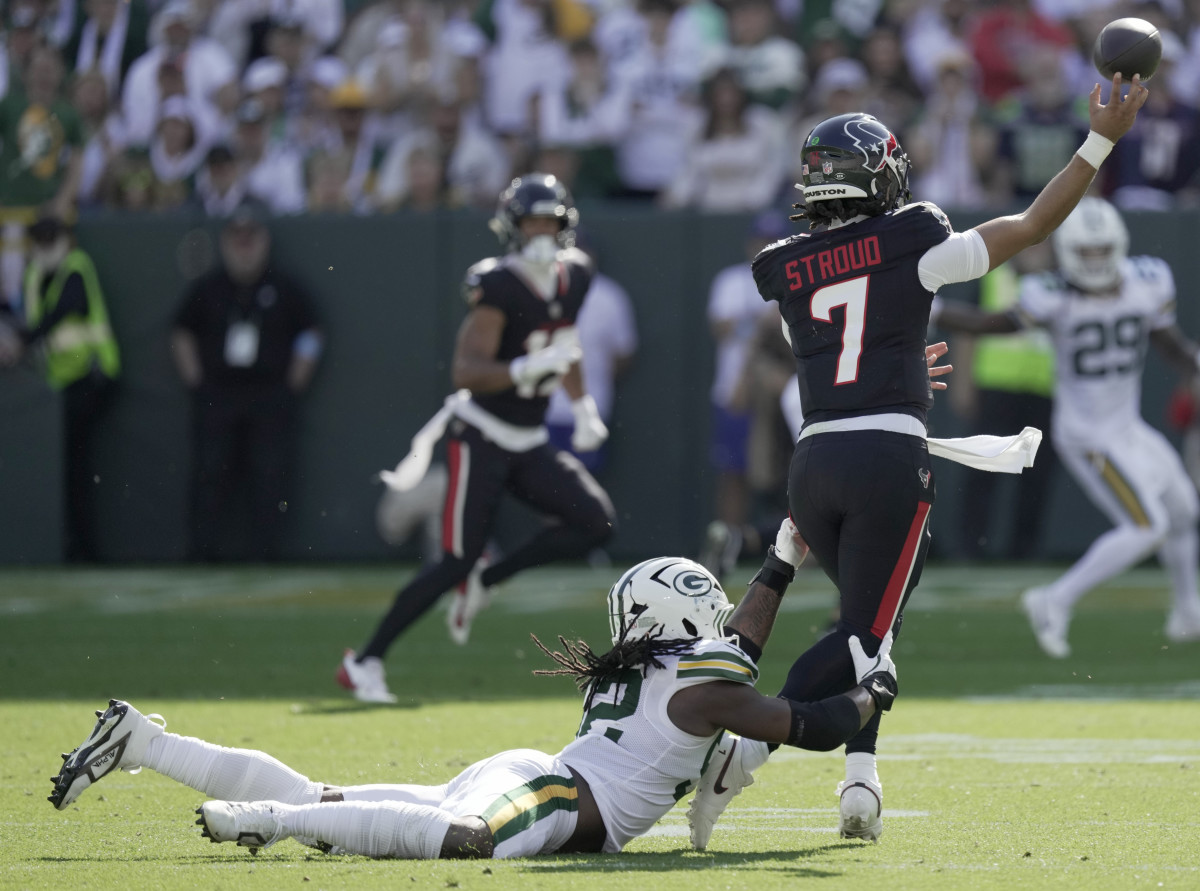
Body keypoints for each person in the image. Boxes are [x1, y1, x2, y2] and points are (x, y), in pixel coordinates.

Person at [722, 73, 1148, 843]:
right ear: (877, 174)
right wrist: (1101, 140)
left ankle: (860, 778)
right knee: (866, 634)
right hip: (886, 455)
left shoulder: (784, 265)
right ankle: (746, 748)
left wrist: (903, 362)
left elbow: (827, 351)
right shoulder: (911, 234)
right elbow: (1031, 225)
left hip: (813, 461)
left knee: (870, 619)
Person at [48, 530, 901, 861]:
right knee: (465, 840)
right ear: (684, 615)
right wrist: (872, 700)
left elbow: (742, 645)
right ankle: (270, 823)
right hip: (559, 792)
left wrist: (782, 563)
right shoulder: (698, 686)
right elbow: (807, 724)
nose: (723, 622)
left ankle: (149, 743)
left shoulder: (671, 671)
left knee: (332, 795)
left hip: (548, 777)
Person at [339, 173, 617, 703]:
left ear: (564, 227)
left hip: (529, 437)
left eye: (548, 222)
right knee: (454, 561)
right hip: (482, 436)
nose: (539, 231)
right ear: (511, 228)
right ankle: (364, 660)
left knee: (595, 521)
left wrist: (581, 405)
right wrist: (525, 367)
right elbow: (466, 371)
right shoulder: (497, 284)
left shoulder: (576, 273)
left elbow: (566, 344)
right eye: (530, 222)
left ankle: (489, 580)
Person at [932, 197, 1200, 655]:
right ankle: (1053, 600)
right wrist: (934, 311)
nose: (1095, 261)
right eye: (1087, 252)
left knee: (1184, 512)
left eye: (1102, 251)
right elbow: (992, 324)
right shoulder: (1051, 294)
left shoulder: (1146, 282)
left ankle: (1189, 613)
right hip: (1088, 435)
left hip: (1128, 427)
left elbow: (1166, 340)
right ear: (1070, 253)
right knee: (1148, 526)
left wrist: (1193, 364)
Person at [170, 205, 324, 562]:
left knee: (270, 475)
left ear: (264, 241)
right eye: (236, 238)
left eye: (250, 238)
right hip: (218, 394)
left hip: (268, 394)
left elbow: (312, 332)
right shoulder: (209, 287)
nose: (244, 246)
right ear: (224, 243)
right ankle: (201, 554)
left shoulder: (284, 287)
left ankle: (265, 555)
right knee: (209, 472)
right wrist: (196, 381)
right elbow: (181, 331)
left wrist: (293, 382)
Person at [0, 216, 119, 562]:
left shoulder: (78, 267)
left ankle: (84, 548)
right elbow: (27, 317)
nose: (46, 247)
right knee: (68, 466)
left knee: (77, 466)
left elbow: (65, 310)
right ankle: (72, 545)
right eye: (40, 240)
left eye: (51, 239)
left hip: (93, 377)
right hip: (59, 385)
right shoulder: (34, 275)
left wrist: (22, 342)